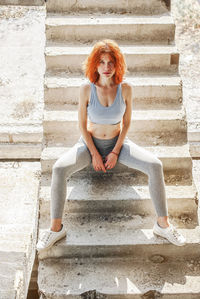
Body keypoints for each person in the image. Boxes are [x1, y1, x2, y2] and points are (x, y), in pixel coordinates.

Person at [36, 39, 186, 253]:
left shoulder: (125, 89)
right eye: (102, 62)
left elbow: (126, 123)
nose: (106, 67)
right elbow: (81, 125)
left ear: (117, 65)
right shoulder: (86, 89)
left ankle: (163, 225)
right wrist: (95, 154)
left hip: (118, 144)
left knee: (156, 165)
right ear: (94, 65)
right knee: (58, 169)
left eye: (110, 62)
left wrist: (115, 150)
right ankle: (55, 228)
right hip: (89, 145)